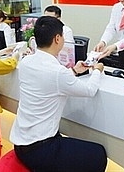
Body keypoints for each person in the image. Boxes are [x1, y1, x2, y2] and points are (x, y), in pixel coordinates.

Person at [10, 16, 107, 171]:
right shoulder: (57, 72)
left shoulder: (27, 62)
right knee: (98, 154)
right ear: (57, 38)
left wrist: (74, 71)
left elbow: (48, 81)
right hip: (40, 150)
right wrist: (97, 71)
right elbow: (89, 90)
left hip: (20, 144)